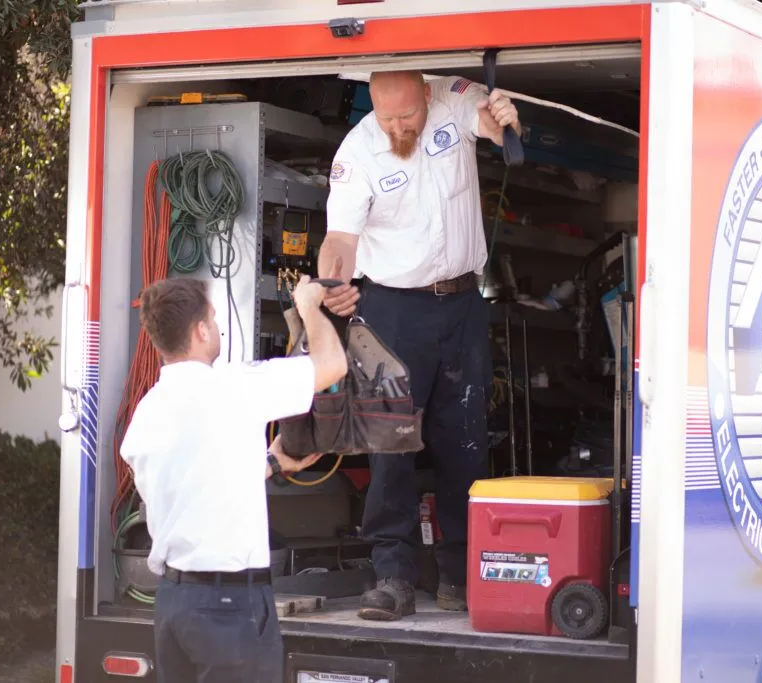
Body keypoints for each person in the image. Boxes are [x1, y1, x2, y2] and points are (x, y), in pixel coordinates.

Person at [318, 70, 521, 621]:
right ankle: (393, 577)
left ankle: (458, 576)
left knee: (465, 441)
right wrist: (333, 285)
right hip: (391, 308)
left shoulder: (453, 100)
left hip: (460, 303)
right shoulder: (358, 151)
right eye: (386, 118)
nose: (397, 127)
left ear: (424, 96)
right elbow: (339, 239)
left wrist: (505, 123)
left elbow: (490, 123)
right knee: (391, 444)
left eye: (407, 116)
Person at [120, 275, 347, 682]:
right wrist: (309, 306)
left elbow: (192, 487)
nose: (218, 328)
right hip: (230, 605)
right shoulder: (235, 387)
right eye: (213, 319)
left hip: (175, 603)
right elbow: (333, 365)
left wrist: (271, 465)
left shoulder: (146, 415)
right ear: (201, 330)